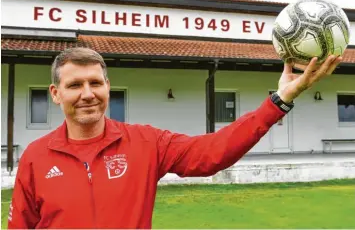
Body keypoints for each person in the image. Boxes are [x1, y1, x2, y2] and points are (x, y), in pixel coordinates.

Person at [7, 47, 341, 229]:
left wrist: (278, 100)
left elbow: (212, 153)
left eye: (95, 83)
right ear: (55, 93)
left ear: (108, 87)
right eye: (75, 85)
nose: (87, 93)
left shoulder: (145, 142)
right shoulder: (36, 157)